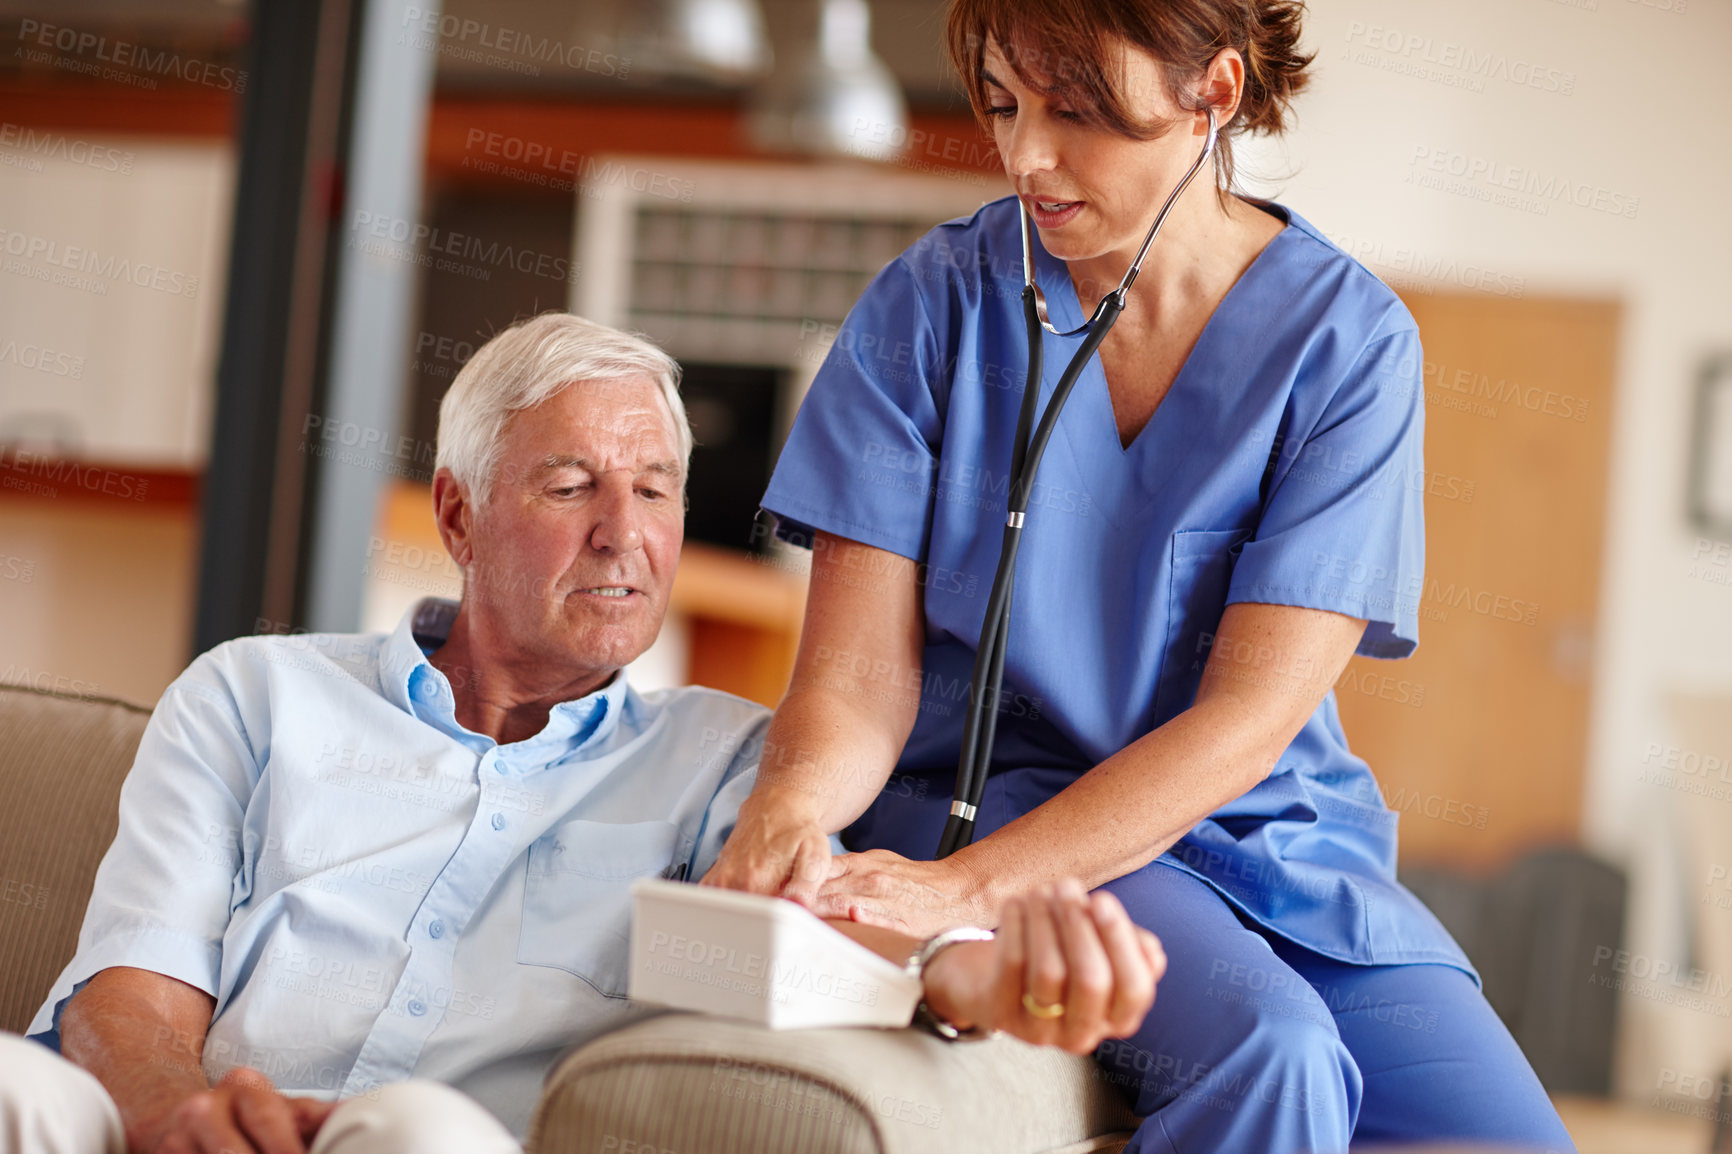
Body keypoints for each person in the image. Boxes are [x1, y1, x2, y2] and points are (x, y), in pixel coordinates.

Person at [703, 2, 1578, 1151]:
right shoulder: (931, 306)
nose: (1026, 157)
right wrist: (794, 810)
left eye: (1077, 114)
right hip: (1010, 806)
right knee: (1276, 1053)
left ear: (1211, 93)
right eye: (1005, 105)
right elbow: (857, 681)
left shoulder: (1347, 341)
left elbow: (1246, 724)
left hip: (1272, 840)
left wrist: (963, 900)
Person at [1, 312, 1167, 1154]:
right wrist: (178, 1112)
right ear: (459, 514)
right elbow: (131, 992)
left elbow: (832, 943)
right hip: (191, 1133)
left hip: (441, 1142)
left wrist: (990, 977)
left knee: (414, 1133)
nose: (626, 534)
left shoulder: (729, 758)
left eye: (656, 489)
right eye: (569, 486)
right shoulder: (254, 694)